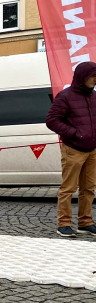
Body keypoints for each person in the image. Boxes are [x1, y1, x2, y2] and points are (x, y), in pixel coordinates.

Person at [46, 62, 96, 238]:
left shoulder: (94, 96)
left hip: (92, 150)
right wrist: (75, 134)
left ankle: (85, 222)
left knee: (89, 188)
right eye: (93, 76)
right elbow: (52, 121)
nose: (95, 80)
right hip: (73, 149)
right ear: (83, 76)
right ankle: (64, 224)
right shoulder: (65, 96)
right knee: (69, 188)